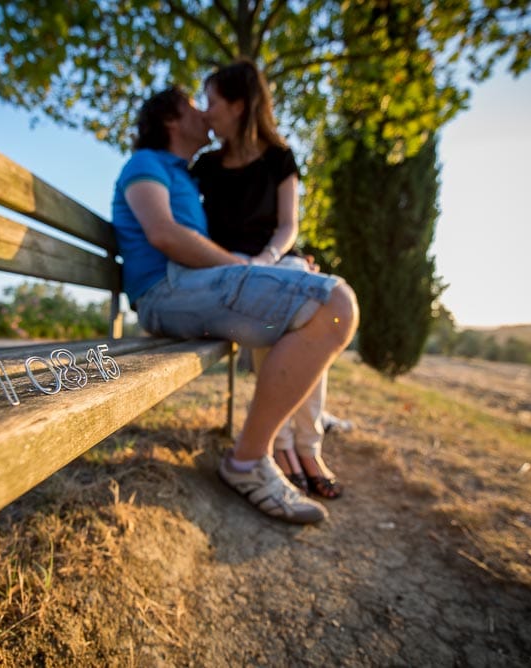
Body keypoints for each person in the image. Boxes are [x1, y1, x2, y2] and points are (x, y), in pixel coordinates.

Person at [111, 86, 359, 524]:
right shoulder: (145, 164)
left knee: (325, 300)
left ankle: (292, 447)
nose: (204, 114)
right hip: (164, 293)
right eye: (193, 106)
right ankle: (248, 461)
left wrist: (279, 268)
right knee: (333, 303)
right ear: (171, 119)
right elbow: (164, 235)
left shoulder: (185, 174)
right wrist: (247, 265)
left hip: (187, 288)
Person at [191, 59, 347, 498]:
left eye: (212, 101)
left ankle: (303, 445)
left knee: (311, 305)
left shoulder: (280, 157)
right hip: (229, 267)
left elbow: (288, 225)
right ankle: (283, 445)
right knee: (276, 307)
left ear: (239, 106)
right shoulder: (204, 166)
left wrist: (266, 258)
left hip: (276, 256)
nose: (206, 112)